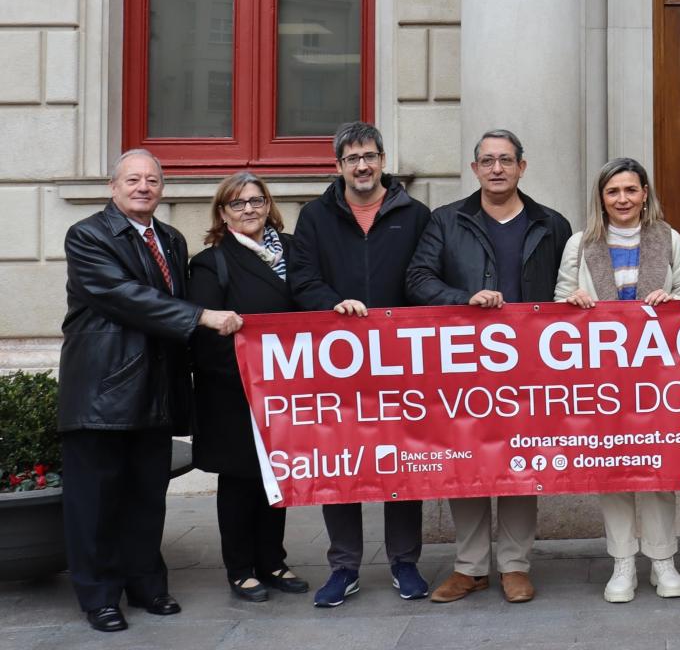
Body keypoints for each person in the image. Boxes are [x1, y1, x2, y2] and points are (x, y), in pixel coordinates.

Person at [59, 149, 242, 632]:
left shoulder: (171, 239)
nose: (143, 187)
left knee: (146, 497)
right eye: (133, 179)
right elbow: (125, 297)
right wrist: (201, 317)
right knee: (95, 501)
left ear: (162, 188)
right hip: (103, 392)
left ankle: (146, 584)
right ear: (113, 187)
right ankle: (99, 596)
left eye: (152, 180)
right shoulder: (88, 236)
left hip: (156, 390)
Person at [407, 129, 573, 605]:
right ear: (474, 168)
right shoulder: (446, 220)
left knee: (520, 462)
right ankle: (470, 567)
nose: (496, 168)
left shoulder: (552, 224)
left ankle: (516, 566)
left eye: (506, 160)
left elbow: (570, 285)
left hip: (530, 370)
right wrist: (464, 299)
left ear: (523, 166)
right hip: (465, 369)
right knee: (469, 464)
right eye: (487, 160)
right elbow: (417, 279)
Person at [288, 122, 433, 608]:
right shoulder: (314, 216)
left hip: (401, 362)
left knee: (402, 462)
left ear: (383, 160)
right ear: (338, 167)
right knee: (340, 459)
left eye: (369, 156)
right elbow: (302, 280)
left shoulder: (414, 214)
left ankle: (405, 562)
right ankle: (344, 566)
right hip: (337, 361)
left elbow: (425, 277)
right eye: (352, 159)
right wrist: (335, 306)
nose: (362, 166)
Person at [554, 158, 680, 604]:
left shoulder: (669, 240)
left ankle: (663, 558)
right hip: (602, 378)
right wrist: (572, 301)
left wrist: (671, 301)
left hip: (658, 376)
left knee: (658, 467)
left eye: (631, 190)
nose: (623, 199)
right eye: (613, 192)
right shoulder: (581, 244)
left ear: (645, 193)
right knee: (612, 469)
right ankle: (622, 561)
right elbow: (557, 307)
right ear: (602, 198)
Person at [188, 171, 310, 602]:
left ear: (269, 204)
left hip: (286, 390)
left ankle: (272, 561)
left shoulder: (295, 251)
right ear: (223, 213)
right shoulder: (210, 263)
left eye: (256, 201)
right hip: (234, 393)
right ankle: (241, 569)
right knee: (240, 482)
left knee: (277, 478)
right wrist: (252, 373)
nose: (249, 210)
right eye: (237, 204)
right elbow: (204, 336)